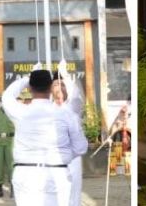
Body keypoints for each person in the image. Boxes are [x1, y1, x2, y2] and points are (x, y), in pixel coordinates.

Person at [2, 70, 88, 206]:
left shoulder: (20, 111)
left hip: (25, 172)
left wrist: (26, 79)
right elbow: (81, 147)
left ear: (29, 88)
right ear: (50, 88)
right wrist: (62, 155)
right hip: (56, 171)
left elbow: (7, 95)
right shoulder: (66, 113)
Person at [52, 72, 84, 206]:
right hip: (54, 157)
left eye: (62, 84)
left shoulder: (73, 106)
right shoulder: (47, 108)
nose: (59, 87)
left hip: (73, 157)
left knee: (74, 193)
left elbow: (75, 92)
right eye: (55, 84)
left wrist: (65, 74)